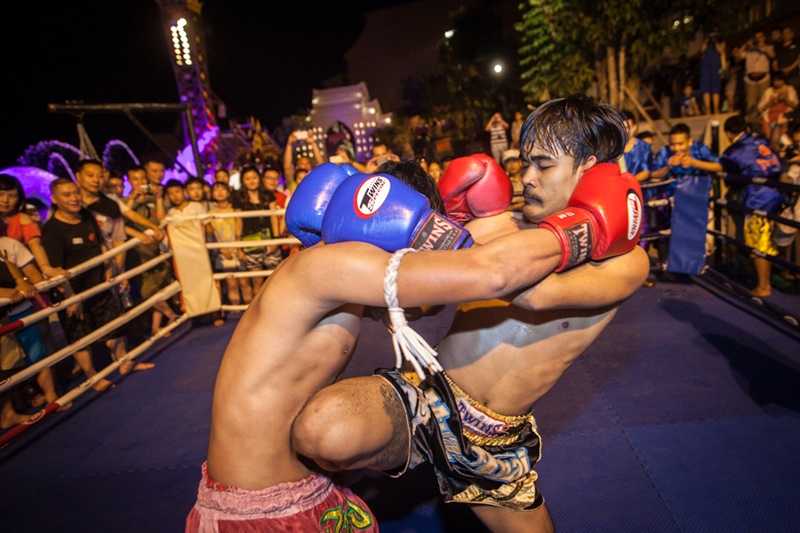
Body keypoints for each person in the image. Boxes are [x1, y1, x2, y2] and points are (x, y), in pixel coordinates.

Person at [189, 132, 642, 532]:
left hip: (316, 489)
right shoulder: (336, 266)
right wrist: (583, 227)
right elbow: (495, 275)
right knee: (325, 427)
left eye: (543, 164)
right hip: (260, 509)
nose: (527, 176)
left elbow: (514, 292)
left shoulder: (326, 263)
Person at [42, 179, 122, 392]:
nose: (74, 198)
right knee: (79, 336)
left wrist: (108, 269)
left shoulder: (87, 216)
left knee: (114, 324)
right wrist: (70, 297)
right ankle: (92, 377)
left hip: (97, 284)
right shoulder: (51, 230)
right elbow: (55, 270)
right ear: (54, 199)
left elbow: (100, 244)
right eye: (67, 195)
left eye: (76, 192)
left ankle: (125, 363)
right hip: (69, 292)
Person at [719, 114, 783, 297]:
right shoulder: (760, 140)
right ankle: (770, 279)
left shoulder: (736, 150)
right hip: (775, 193)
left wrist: (692, 162)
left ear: (729, 133)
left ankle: (764, 286)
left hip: (759, 197)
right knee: (767, 240)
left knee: (759, 243)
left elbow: (725, 170)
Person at [0, 174, 65, 279]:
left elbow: (36, 245)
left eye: (12, 196)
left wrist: (45, 268)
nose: (5, 200)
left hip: (23, 275)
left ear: (19, 198)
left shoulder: (23, 219)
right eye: (1, 194)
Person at [236, 167, 279, 300]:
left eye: (254, 177)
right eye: (247, 178)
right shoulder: (239, 198)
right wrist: (239, 247)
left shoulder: (268, 195)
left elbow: (274, 217)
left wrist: (276, 240)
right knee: (257, 281)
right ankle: (258, 314)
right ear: (243, 181)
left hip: (270, 241)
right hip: (250, 243)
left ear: (259, 178)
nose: (252, 181)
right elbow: (238, 222)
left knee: (275, 280)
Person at [206, 182, 243, 326]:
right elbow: (210, 233)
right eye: (216, 189)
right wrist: (221, 249)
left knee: (244, 281)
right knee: (230, 282)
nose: (219, 192)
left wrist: (238, 248)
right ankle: (236, 315)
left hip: (237, 248)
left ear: (228, 192)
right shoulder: (209, 213)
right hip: (221, 251)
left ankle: (247, 310)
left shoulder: (235, 210)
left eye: (223, 189)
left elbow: (239, 228)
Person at [758, 72, 798, 148]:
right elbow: (760, 108)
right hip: (769, 116)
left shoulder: (790, 89)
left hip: (785, 116)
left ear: (783, 81)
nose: (777, 83)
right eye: (775, 80)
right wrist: (770, 103)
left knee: (777, 133)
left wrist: (786, 100)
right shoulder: (768, 91)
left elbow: (795, 105)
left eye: (779, 80)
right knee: (768, 139)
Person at [699, 35, 727, 115]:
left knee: (716, 92)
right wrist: (706, 40)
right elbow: (702, 50)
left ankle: (716, 111)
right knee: (706, 92)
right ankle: (708, 112)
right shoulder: (706, 48)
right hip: (706, 73)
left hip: (715, 73)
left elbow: (724, 65)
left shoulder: (720, 51)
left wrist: (723, 73)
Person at [774, 27, 799, 92]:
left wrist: (789, 68)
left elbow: (799, 59)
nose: (785, 35)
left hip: (794, 76)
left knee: (793, 96)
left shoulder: (797, 45)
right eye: (784, 33)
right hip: (781, 77)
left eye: (787, 33)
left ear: (792, 34)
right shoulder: (778, 46)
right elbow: (776, 59)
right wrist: (775, 66)